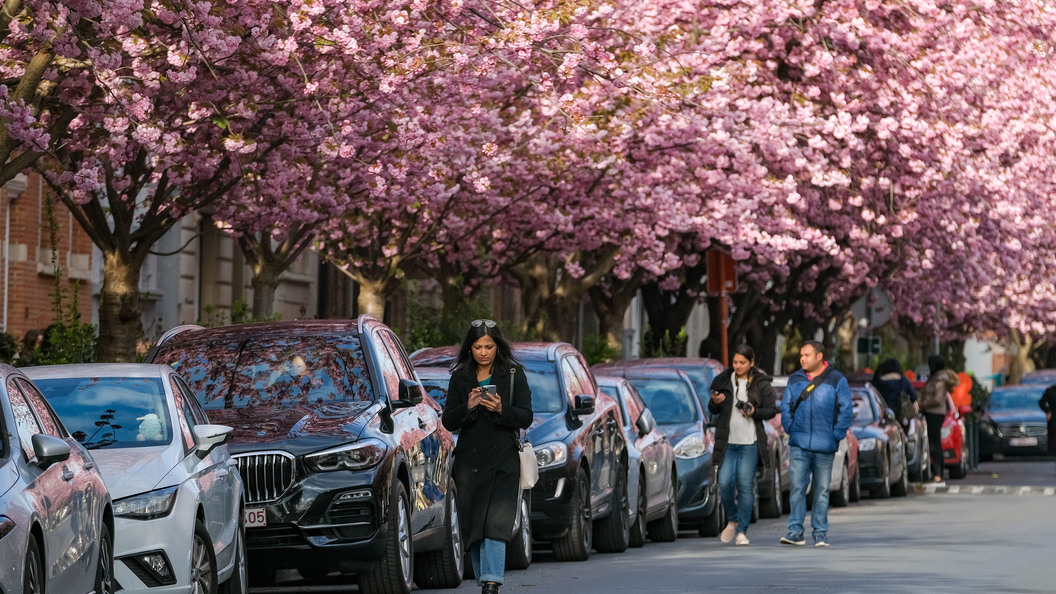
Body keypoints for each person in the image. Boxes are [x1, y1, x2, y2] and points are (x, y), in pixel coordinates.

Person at [441, 319, 533, 594]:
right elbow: (448, 421)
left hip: (504, 461)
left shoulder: (514, 374)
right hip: (471, 463)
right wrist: (468, 407)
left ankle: (492, 582)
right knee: (475, 523)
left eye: (489, 346)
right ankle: (486, 579)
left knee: (496, 523)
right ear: (470, 348)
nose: (483, 352)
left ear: (497, 347)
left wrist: (502, 409)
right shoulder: (460, 378)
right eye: (478, 346)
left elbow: (526, 416)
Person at [779, 340, 853, 548]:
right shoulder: (795, 379)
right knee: (796, 487)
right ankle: (795, 531)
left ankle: (820, 533)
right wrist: (790, 428)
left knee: (821, 490)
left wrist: (836, 434)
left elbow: (846, 409)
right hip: (799, 443)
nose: (802, 359)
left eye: (807, 355)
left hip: (825, 445)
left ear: (820, 356)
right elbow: (786, 406)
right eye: (801, 355)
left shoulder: (837, 380)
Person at [708, 345, 777, 547]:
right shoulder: (722, 380)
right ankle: (733, 518)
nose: (737, 366)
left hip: (750, 442)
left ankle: (742, 531)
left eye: (742, 362)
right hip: (727, 442)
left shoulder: (761, 384)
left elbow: (772, 410)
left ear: (751, 363)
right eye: (735, 362)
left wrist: (755, 411)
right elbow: (712, 408)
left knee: (746, 485)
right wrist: (715, 402)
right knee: (724, 483)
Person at [919, 354, 960, 484]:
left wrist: (923, 405)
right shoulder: (937, 378)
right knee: (934, 443)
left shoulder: (939, 380)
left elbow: (937, 399)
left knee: (934, 443)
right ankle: (937, 471)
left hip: (934, 413)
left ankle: (937, 472)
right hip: (934, 413)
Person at [870, 358, 918, 426]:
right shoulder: (903, 381)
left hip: (883, 415)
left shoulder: (878, 382)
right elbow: (914, 396)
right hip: (901, 414)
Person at [1038, 383, 1056, 465]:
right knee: (1053, 436)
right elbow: (1041, 402)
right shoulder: (1050, 391)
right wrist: (1048, 411)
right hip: (1054, 417)